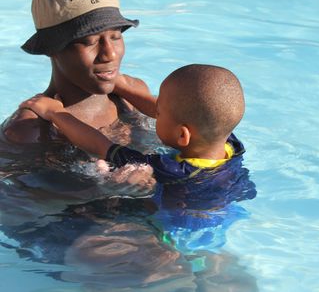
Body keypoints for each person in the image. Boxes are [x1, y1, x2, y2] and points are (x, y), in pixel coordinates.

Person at [1, 0, 157, 195]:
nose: (109, 54)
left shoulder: (132, 98)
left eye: (116, 37)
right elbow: (16, 205)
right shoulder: (30, 130)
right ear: (51, 49)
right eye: (89, 42)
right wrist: (102, 188)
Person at [20, 64, 256, 207]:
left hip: (182, 222)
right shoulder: (231, 142)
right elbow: (179, 112)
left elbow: (102, 145)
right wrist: (120, 85)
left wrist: (57, 114)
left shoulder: (172, 170)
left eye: (159, 113)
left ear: (183, 136)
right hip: (226, 201)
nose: (155, 113)